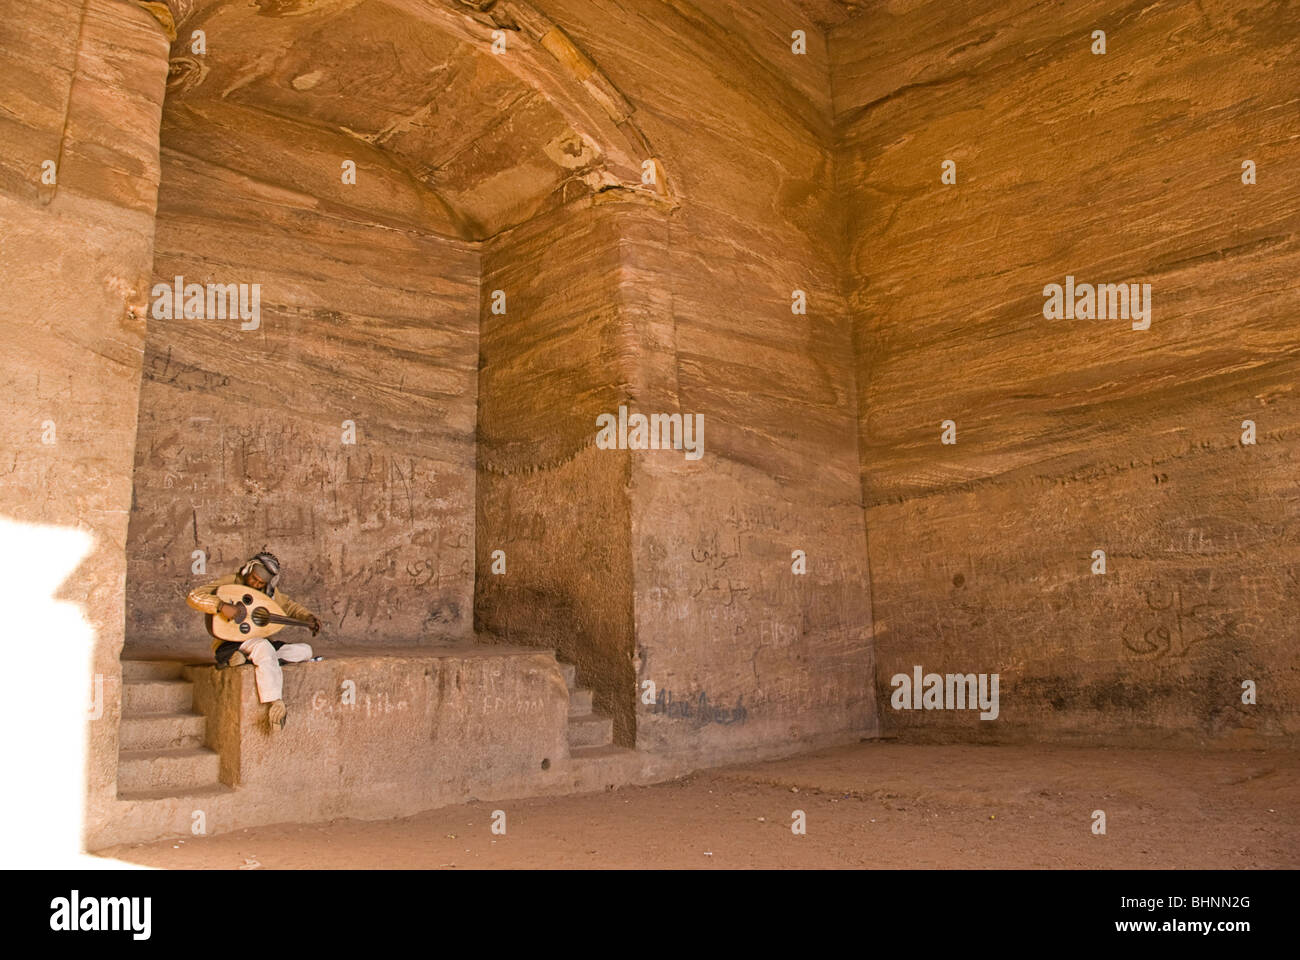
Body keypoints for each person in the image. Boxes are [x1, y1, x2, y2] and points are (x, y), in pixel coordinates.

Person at [185, 551, 321, 731]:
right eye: (254, 579)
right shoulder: (232, 582)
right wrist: (220, 605)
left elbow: (288, 606)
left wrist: (307, 617)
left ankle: (244, 659)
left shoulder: (269, 593)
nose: (256, 584)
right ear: (248, 570)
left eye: (261, 582)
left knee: (305, 651)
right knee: (263, 647)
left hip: (258, 643)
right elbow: (194, 596)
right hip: (231, 642)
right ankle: (275, 703)